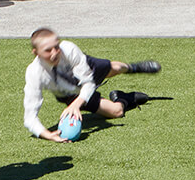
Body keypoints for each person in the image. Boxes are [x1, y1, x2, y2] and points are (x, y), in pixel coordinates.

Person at [21, 28, 161, 140]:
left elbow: (89, 82)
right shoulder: (34, 73)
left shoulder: (68, 49)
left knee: (116, 68)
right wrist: (46, 134)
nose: (55, 53)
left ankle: (133, 68)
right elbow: (29, 117)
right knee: (117, 112)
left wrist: (77, 104)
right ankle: (124, 97)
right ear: (36, 52)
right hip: (70, 92)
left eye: (56, 47)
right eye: (47, 50)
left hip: (85, 73)